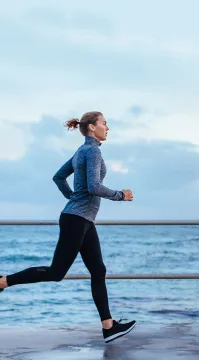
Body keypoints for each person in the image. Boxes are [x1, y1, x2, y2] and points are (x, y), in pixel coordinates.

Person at [0, 111, 136, 343]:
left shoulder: (81, 151)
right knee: (56, 273)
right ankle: (3, 282)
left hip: (82, 219)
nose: (108, 127)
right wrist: (119, 195)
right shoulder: (92, 151)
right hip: (76, 219)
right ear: (92, 127)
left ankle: (108, 326)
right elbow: (94, 186)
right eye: (104, 123)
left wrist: (73, 198)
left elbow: (58, 177)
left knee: (98, 270)